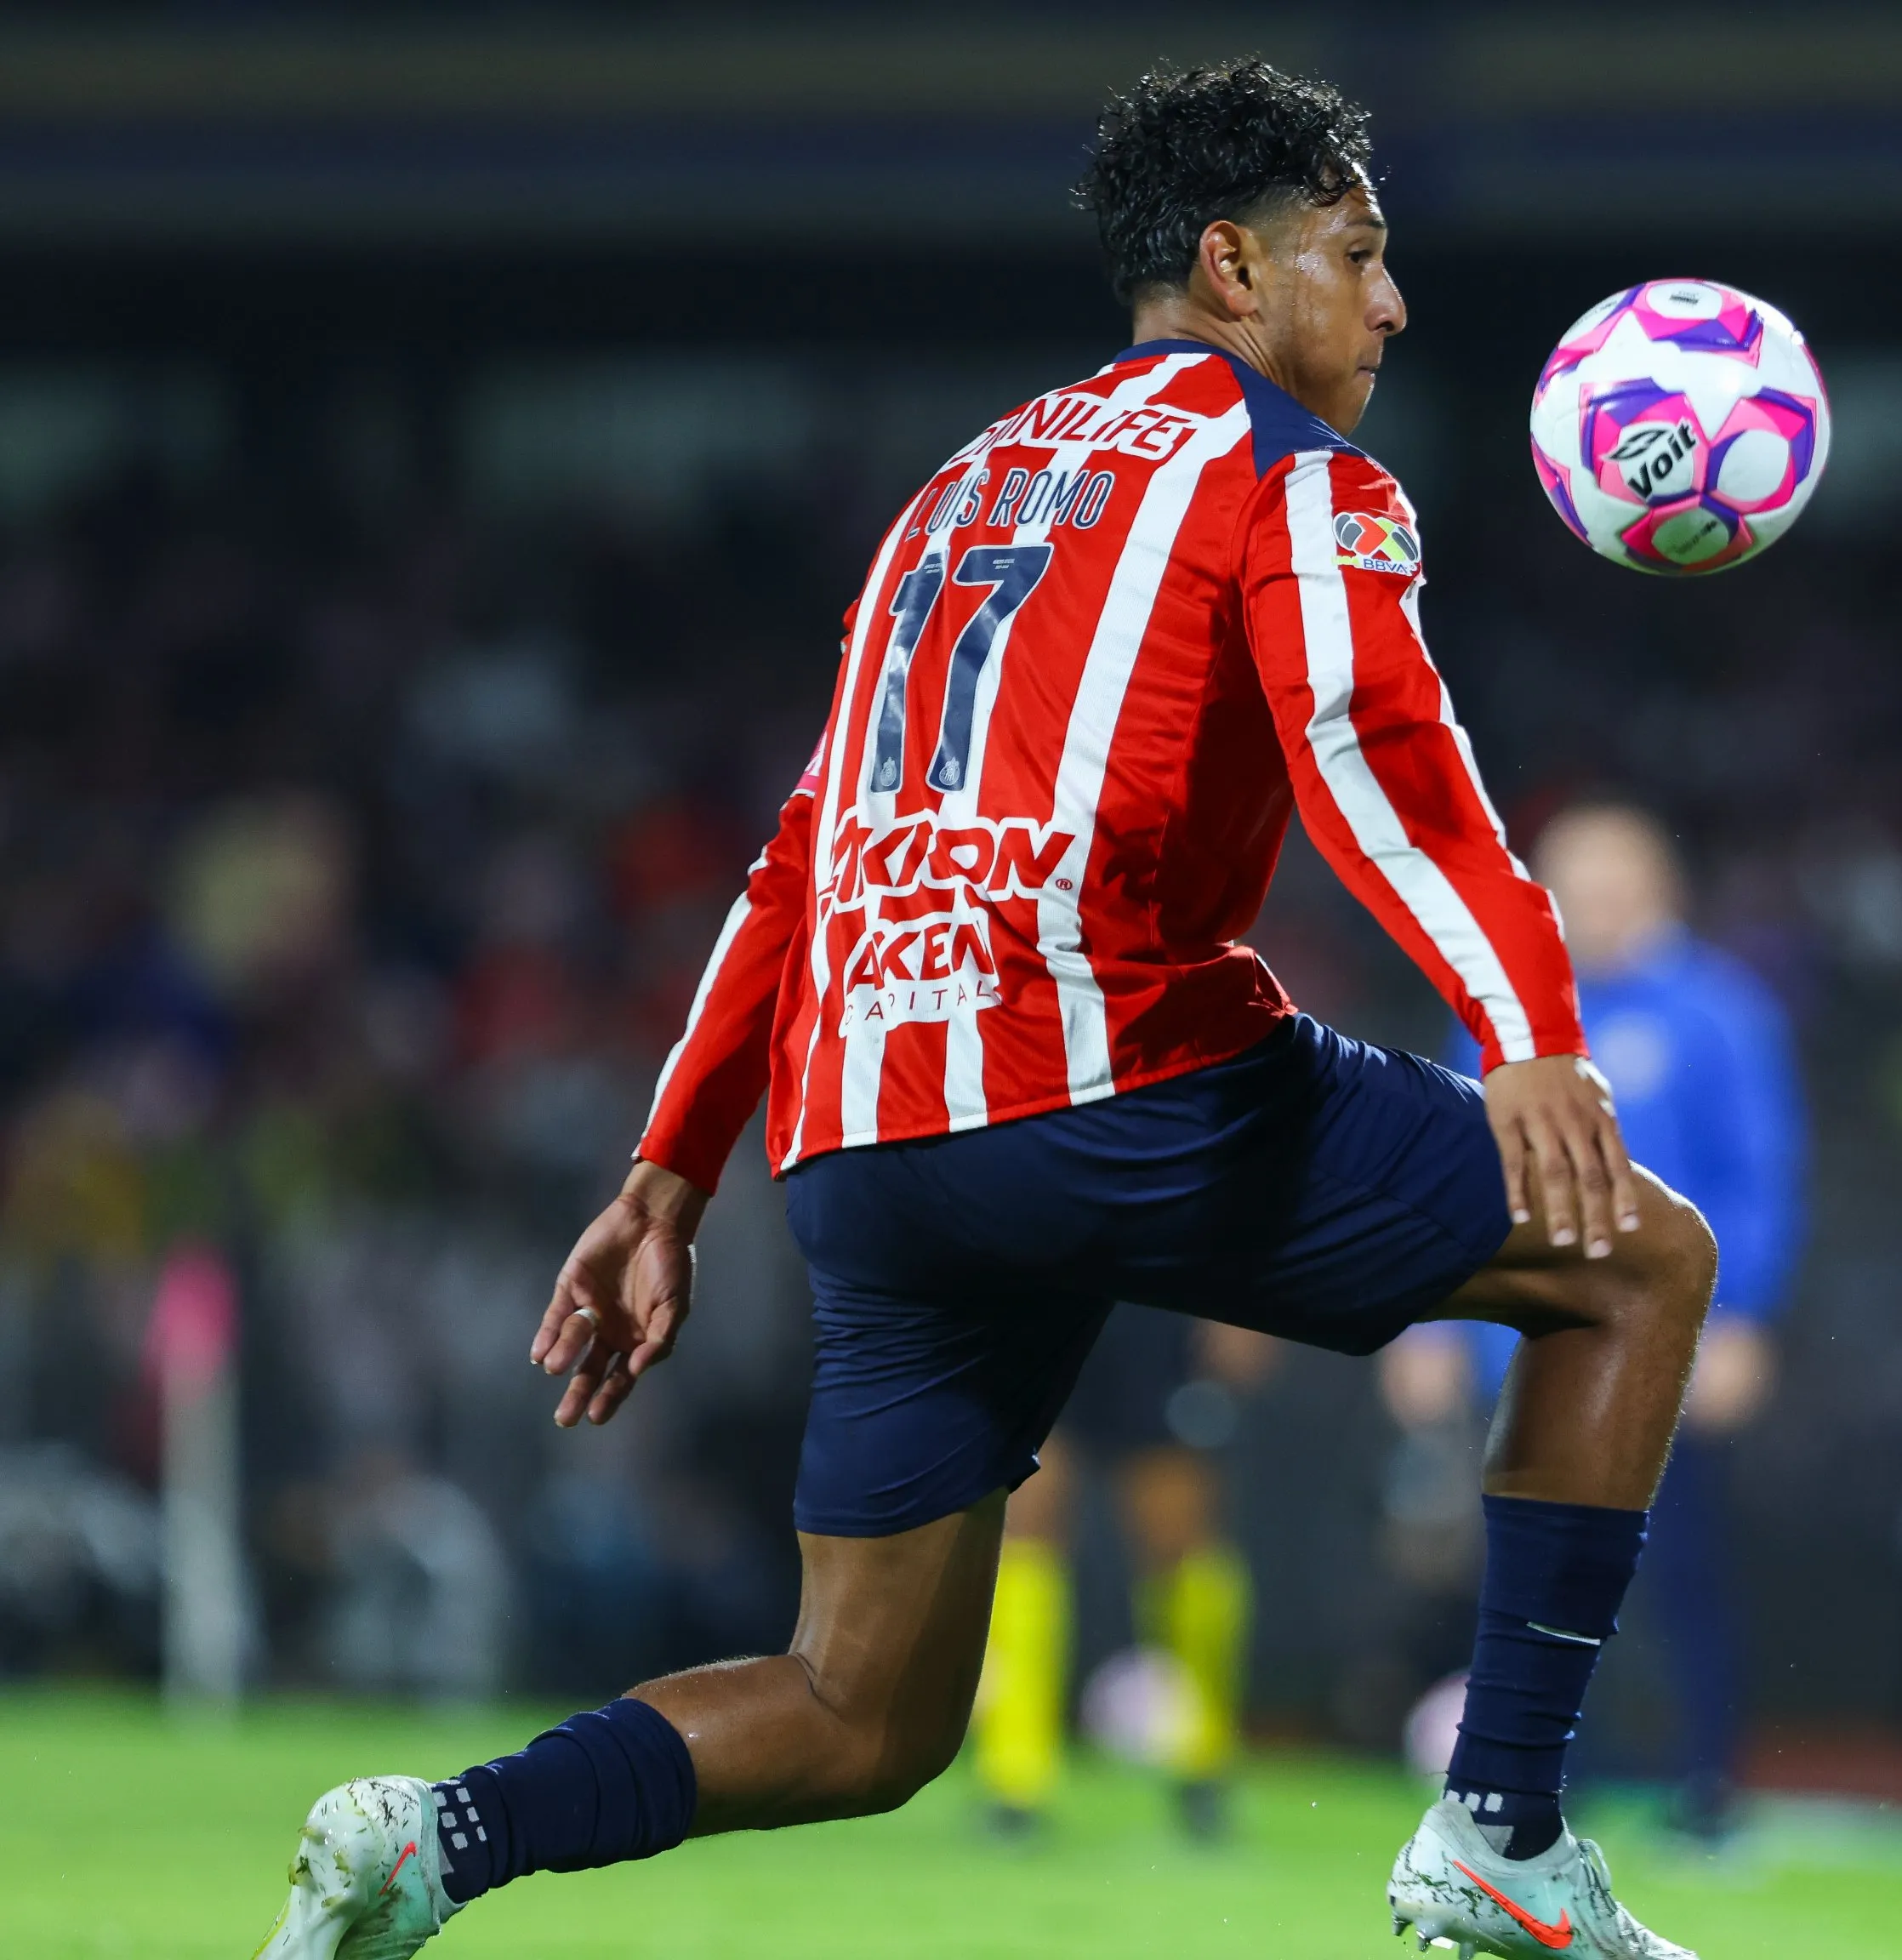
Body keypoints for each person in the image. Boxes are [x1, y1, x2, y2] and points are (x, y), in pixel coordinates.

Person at [252, 59, 1716, 1960]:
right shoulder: (1294, 474)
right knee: (1636, 1263)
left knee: (858, 1710)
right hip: (1106, 1074)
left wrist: (668, 1174)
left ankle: (433, 1838)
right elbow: (1372, 750)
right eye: (1355, 255)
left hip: (867, 1136)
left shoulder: (952, 492)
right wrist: (1525, 1029)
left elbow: (805, 851)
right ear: (1231, 265)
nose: (1391, 305)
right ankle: (1503, 1826)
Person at [1392, 801, 1808, 1841]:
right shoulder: (1504, 1011)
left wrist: (1740, 1320)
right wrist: (1427, 1321)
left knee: (1679, 1574)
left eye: (1609, 886)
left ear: (1658, 892)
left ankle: (1704, 1786)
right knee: (1525, 1574)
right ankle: (1532, 1793)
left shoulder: (1718, 1013)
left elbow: (1756, 1177)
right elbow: (1447, 1170)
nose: (1589, 908)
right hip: (1521, 1341)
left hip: (1659, 1345)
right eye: (1570, 888)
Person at [966, 1313, 1275, 1844]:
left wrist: (1248, 1310)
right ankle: (1014, 1778)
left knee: (1180, 1542)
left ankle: (1204, 1758)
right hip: (1044, 1300)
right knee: (1025, 1524)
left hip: (1155, 1306)